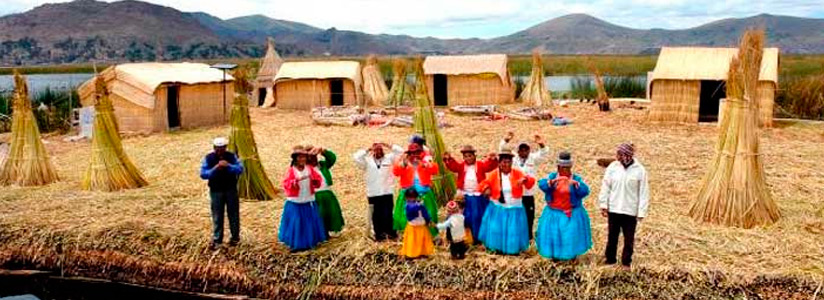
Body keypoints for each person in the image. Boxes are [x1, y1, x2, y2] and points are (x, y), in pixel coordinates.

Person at [599, 142, 650, 269]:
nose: (618, 157)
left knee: (629, 238)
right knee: (612, 236)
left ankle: (626, 262)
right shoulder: (613, 167)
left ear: (627, 155)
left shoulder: (640, 170)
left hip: (630, 210)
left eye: (620, 155)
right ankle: (610, 259)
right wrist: (604, 204)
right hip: (614, 208)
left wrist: (641, 212)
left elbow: (644, 192)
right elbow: (606, 186)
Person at [477, 146, 536, 255]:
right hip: (498, 208)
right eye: (504, 162)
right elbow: (482, 184)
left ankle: (512, 250)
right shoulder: (494, 174)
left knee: (513, 231)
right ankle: (497, 248)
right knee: (497, 229)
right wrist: (486, 188)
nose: (506, 165)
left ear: (512, 162)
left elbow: (531, 182)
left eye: (509, 162)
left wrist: (525, 179)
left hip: (514, 208)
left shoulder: (517, 173)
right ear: (499, 163)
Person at [536, 151, 593, 261]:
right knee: (554, 235)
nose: (565, 170)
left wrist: (577, 185)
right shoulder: (553, 177)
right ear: (558, 167)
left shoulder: (575, 178)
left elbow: (585, 191)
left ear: (570, 167)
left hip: (571, 213)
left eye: (567, 168)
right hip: (554, 213)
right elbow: (542, 185)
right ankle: (555, 257)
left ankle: (571, 257)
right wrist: (551, 182)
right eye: (562, 168)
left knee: (570, 235)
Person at [499, 132, 549, 240]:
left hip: (528, 192)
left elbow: (544, 154)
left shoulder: (533, 158)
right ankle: (516, 235)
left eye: (526, 149)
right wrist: (506, 139)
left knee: (529, 215)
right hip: (516, 193)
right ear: (518, 151)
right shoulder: (514, 159)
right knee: (516, 215)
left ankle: (529, 236)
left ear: (529, 150)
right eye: (521, 149)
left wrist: (541, 144)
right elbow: (502, 149)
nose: (523, 152)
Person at [443, 145, 498, 244]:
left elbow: (489, 166)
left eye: (470, 156)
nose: (468, 158)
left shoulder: (480, 165)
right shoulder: (461, 166)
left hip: (477, 195)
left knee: (477, 214)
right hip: (464, 195)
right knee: (461, 215)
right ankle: (460, 236)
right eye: (466, 156)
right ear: (463, 158)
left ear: (474, 156)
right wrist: (449, 159)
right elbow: (453, 166)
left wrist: (492, 159)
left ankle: (477, 236)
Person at [279, 145, 328, 252]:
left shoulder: (309, 169)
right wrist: (295, 182)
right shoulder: (292, 171)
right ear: (295, 159)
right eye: (299, 157)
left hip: (308, 198)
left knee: (309, 221)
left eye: (304, 157)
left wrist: (315, 181)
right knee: (297, 222)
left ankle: (310, 241)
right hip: (296, 201)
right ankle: (297, 244)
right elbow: (286, 183)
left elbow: (318, 179)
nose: (302, 159)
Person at [353, 142, 405, 241]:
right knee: (376, 215)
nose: (379, 151)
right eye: (376, 150)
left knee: (388, 213)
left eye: (380, 149)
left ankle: (390, 234)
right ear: (372, 151)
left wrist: (387, 145)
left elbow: (401, 152)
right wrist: (368, 149)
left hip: (387, 191)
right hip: (373, 192)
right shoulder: (367, 161)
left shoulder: (389, 158)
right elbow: (356, 157)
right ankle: (379, 235)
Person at [200, 137, 244, 250]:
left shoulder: (232, 156)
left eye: (222, 148)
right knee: (217, 215)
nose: (220, 151)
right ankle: (217, 240)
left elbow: (240, 169)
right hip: (216, 191)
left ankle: (235, 238)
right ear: (214, 148)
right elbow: (203, 174)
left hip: (231, 189)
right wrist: (215, 168)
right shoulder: (208, 158)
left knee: (233, 214)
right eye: (218, 148)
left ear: (225, 147)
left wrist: (228, 166)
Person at [392, 143, 439, 237]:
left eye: (417, 152)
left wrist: (425, 165)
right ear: (409, 154)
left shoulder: (425, 162)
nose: (415, 155)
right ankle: (407, 235)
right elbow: (396, 172)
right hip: (408, 195)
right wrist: (403, 164)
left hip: (424, 193)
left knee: (429, 214)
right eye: (412, 153)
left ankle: (429, 235)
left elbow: (435, 170)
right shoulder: (404, 163)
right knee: (405, 216)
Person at [307, 146, 345, 237]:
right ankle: (321, 233)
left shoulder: (322, 165)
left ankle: (330, 230)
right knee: (320, 214)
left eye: (315, 156)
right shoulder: (305, 168)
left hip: (327, 193)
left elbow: (332, 158)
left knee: (331, 213)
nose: (313, 158)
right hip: (315, 194)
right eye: (311, 157)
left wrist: (323, 151)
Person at [398, 189, 434, 259]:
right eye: (410, 197)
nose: (412, 199)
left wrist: (428, 220)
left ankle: (423, 252)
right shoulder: (408, 205)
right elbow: (412, 208)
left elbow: (425, 214)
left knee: (419, 240)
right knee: (413, 240)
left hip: (420, 225)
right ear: (407, 198)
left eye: (413, 197)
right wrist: (419, 206)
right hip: (413, 226)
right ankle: (411, 254)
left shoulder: (419, 204)